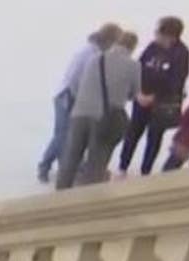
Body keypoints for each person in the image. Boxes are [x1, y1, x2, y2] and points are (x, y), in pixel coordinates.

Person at [56, 30, 140, 190]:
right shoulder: (133, 66)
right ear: (133, 47)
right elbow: (134, 93)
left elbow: (79, 84)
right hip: (104, 118)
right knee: (96, 161)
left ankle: (61, 192)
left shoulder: (95, 59)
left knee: (71, 157)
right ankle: (88, 196)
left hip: (80, 112)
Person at [40, 24, 120, 184]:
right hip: (67, 97)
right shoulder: (90, 54)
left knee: (69, 135)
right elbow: (75, 80)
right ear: (109, 40)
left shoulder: (94, 52)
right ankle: (45, 166)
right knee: (63, 135)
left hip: (71, 97)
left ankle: (67, 166)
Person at [117, 16, 189, 177]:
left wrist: (154, 97)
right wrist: (137, 92)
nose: (155, 35)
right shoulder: (152, 47)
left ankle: (146, 171)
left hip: (162, 103)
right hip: (141, 97)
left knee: (154, 137)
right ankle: (122, 167)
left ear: (170, 36)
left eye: (159, 33)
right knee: (133, 132)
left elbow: (177, 80)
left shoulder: (181, 53)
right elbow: (139, 67)